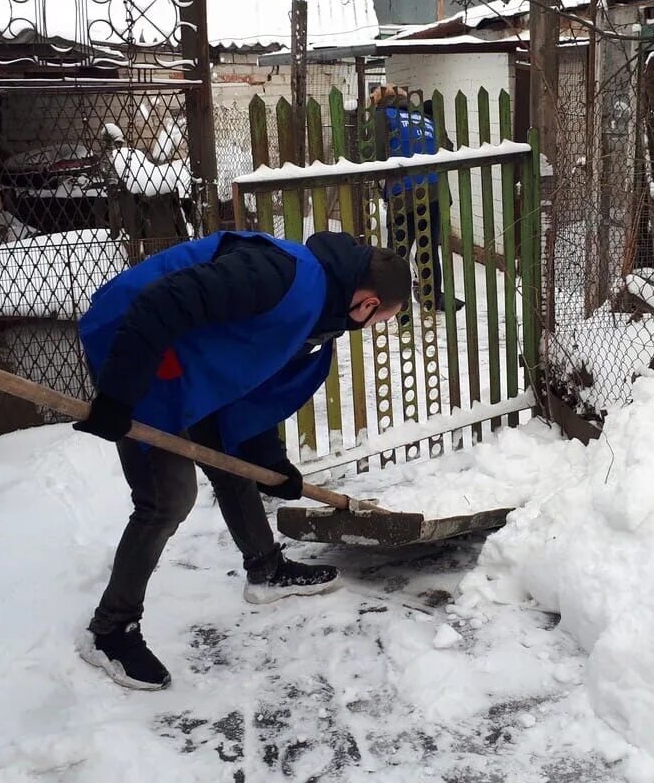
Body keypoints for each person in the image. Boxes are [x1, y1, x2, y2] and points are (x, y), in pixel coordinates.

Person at [73, 228, 410, 690]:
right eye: (380, 320)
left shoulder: (321, 315)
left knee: (229, 455)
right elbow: (163, 303)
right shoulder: (280, 275)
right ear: (368, 303)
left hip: (183, 360)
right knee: (166, 498)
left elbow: (250, 384)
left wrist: (273, 466)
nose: (371, 328)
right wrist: (117, 395)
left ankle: (266, 569)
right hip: (130, 343)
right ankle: (110, 630)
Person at [369, 84, 464, 316]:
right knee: (428, 248)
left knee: (396, 252)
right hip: (434, 193)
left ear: (380, 102)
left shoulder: (384, 117)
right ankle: (433, 296)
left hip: (404, 194)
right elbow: (448, 149)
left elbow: (375, 155)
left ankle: (395, 302)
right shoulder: (424, 119)